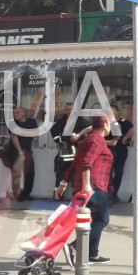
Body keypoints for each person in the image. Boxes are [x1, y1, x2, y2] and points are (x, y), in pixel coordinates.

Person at [55, 114, 114, 265]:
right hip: (95, 187)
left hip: (83, 187)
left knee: (92, 220)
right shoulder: (98, 140)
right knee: (102, 220)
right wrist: (87, 185)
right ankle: (74, 246)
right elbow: (86, 162)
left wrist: (63, 183)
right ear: (105, 125)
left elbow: (75, 164)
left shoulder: (87, 140)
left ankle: (92, 253)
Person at [50, 102, 88, 193]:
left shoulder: (83, 122)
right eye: (67, 109)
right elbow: (54, 134)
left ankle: (76, 197)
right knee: (60, 177)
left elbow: (90, 133)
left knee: (77, 178)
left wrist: (79, 139)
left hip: (78, 154)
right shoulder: (60, 123)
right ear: (64, 111)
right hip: (64, 154)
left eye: (71, 109)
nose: (70, 111)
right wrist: (62, 140)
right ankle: (57, 197)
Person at [11, 106, 39, 202]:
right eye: (14, 113)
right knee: (17, 175)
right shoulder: (13, 123)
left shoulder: (31, 122)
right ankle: (18, 195)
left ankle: (27, 193)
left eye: (17, 112)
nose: (15, 114)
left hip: (28, 151)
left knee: (30, 173)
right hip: (16, 151)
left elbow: (35, 135)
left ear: (23, 113)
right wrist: (19, 151)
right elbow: (14, 137)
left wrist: (22, 132)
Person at [108, 103, 134, 203]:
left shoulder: (123, 122)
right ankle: (110, 193)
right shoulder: (106, 123)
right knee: (108, 173)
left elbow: (133, 130)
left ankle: (114, 194)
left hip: (120, 150)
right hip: (109, 151)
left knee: (118, 173)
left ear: (117, 112)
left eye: (112, 112)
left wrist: (125, 138)